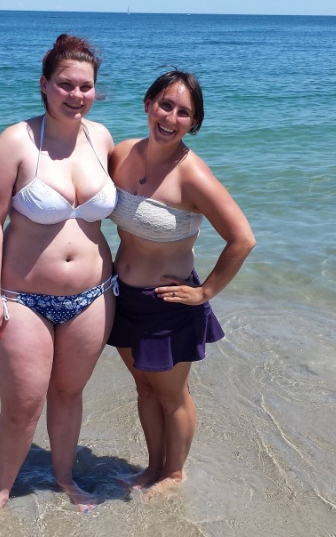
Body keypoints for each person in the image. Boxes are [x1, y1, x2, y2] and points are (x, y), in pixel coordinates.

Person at [0, 34, 117, 523]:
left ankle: (65, 479)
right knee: (23, 405)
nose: (75, 95)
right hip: (24, 299)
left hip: (94, 296)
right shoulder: (15, 142)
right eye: (65, 85)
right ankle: (0, 493)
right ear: (44, 85)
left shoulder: (101, 138)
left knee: (69, 393)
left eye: (85, 87)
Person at [107, 69, 256, 497]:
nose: (171, 117)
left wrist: (205, 292)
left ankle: (174, 474)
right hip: (124, 298)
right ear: (148, 104)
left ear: (194, 123)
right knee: (144, 386)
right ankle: (151, 467)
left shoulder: (193, 176)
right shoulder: (120, 154)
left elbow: (242, 239)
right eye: (165, 104)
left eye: (184, 112)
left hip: (168, 303)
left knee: (172, 395)